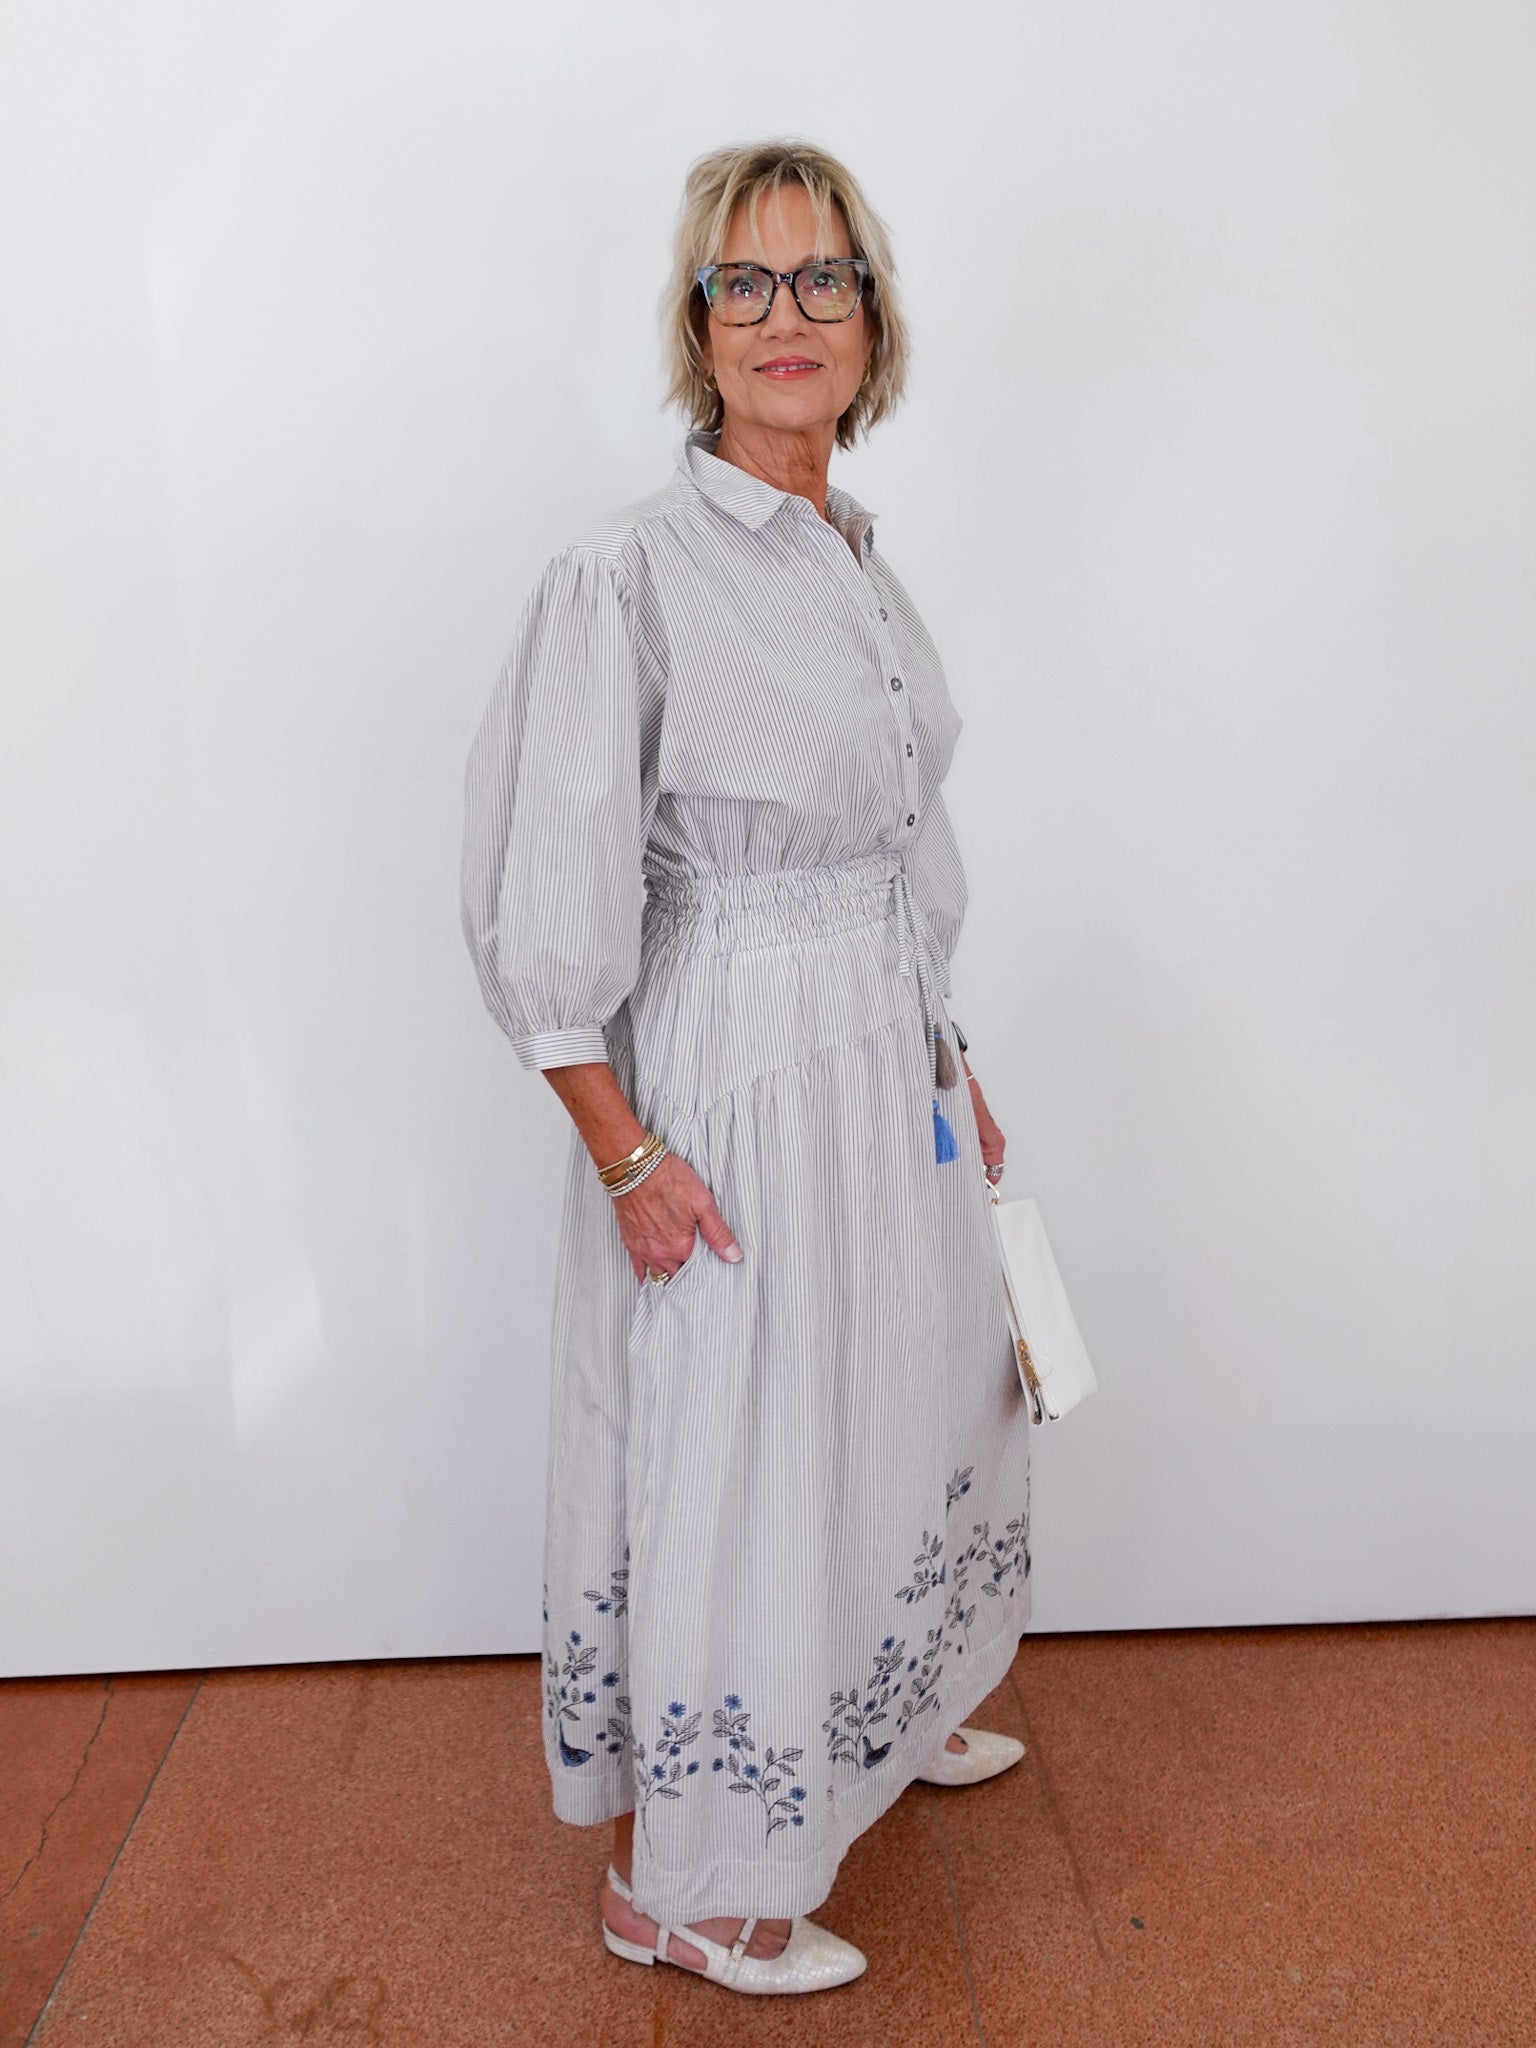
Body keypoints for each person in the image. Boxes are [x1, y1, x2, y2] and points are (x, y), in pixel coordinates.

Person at [461, 138, 1032, 1997]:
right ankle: (685, 1878)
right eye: (746, 284)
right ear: (697, 332)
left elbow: (896, 841)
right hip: (742, 1068)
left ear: (875, 322)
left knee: (903, 1386)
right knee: (742, 1436)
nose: (789, 317)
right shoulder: (631, 573)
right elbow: (548, 891)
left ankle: (870, 1704)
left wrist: (953, 1057)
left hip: (885, 1054)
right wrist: (626, 1152)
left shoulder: (857, 557)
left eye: (825, 280)